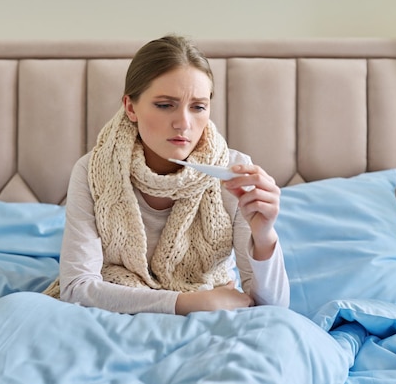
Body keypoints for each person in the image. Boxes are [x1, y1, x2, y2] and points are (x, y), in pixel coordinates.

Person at [43, 35, 289, 315]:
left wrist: (264, 234)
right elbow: (76, 289)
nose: (183, 123)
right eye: (165, 105)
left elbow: (274, 308)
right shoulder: (91, 172)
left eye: (198, 107)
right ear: (130, 107)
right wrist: (184, 303)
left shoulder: (233, 174)